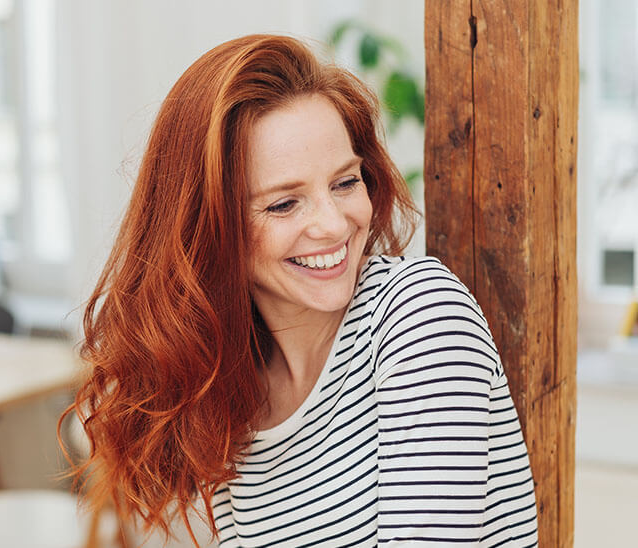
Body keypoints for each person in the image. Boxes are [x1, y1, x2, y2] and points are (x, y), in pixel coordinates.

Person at [62, 34, 539, 547]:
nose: (333, 226)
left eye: (344, 182)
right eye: (284, 204)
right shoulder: (231, 396)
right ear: (207, 228)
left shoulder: (419, 316)